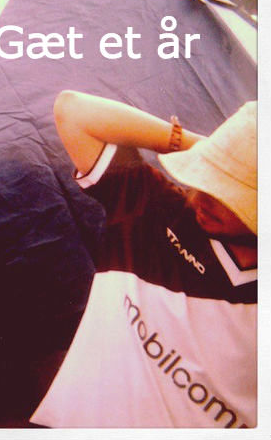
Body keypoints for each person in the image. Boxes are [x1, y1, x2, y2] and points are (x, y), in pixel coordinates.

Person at [31, 91, 257, 428]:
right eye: (204, 178)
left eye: (228, 193)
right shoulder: (154, 210)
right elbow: (73, 111)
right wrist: (215, 152)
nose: (202, 197)